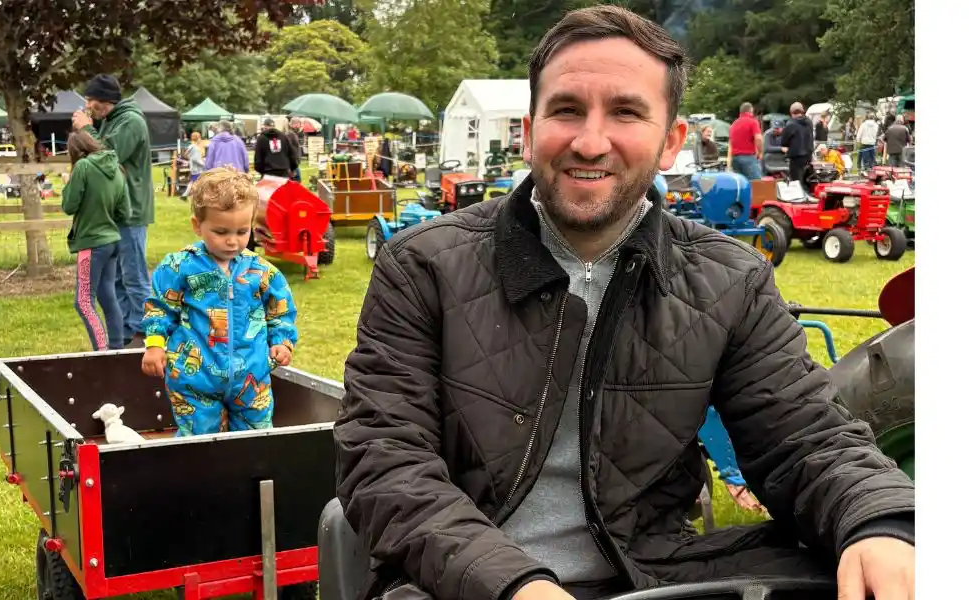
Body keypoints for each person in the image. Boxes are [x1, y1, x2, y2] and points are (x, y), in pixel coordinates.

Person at [334, 6, 914, 600]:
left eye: (626, 113)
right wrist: (513, 584)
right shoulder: (422, 266)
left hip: (654, 578)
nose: (590, 142)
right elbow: (386, 461)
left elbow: (807, 437)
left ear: (671, 142)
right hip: (458, 583)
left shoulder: (732, 280)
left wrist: (880, 523)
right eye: (566, 110)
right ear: (530, 132)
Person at [139, 167, 299, 436]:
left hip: (252, 379)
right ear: (197, 226)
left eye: (242, 231)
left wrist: (282, 342)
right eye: (221, 231)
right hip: (194, 380)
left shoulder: (261, 271)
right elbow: (159, 308)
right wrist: (155, 345)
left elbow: (280, 310)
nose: (232, 241)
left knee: (256, 438)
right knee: (198, 441)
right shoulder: (179, 267)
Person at [72, 74, 154, 349]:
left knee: (134, 276)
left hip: (131, 211)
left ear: (105, 100)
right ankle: (128, 333)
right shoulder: (111, 120)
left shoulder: (131, 121)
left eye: (90, 100)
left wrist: (87, 129)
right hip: (113, 211)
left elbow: (108, 157)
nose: (87, 105)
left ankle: (146, 334)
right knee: (117, 278)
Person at [62, 132, 131, 351]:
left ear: (76, 151)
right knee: (108, 297)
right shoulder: (117, 169)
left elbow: (69, 205)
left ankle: (101, 350)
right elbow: (125, 213)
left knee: (83, 302)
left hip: (91, 244)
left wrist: (68, 183)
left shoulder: (82, 167)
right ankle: (117, 347)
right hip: (112, 242)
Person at [726, 102, 763, 180]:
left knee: (741, 184)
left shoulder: (733, 124)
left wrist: (729, 163)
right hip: (748, 157)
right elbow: (758, 138)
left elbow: (730, 144)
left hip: (735, 159)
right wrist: (760, 153)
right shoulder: (753, 122)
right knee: (756, 183)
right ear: (751, 110)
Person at [780, 102, 815, 182]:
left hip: (796, 156)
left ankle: (799, 190)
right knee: (806, 179)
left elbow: (784, 142)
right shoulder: (809, 122)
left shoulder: (791, 123)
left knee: (796, 180)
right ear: (802, 111)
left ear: (791, 112)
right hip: (808, 155)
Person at [185, 131, 206, 196]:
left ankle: (185, 195)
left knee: (193, 181)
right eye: (200, 138)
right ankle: (186, 195)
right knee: (196, 181)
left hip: (194, 167)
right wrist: (204, 164)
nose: (200, 140)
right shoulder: (195, 148)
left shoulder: (191, 146)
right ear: (198, 138)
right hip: (198, 168)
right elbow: (196, 159)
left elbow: (189, 156)